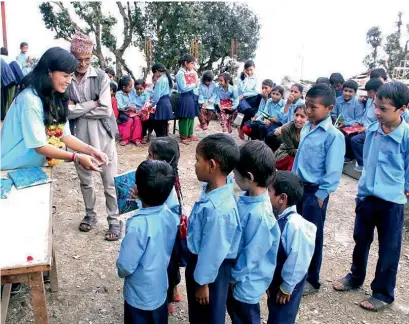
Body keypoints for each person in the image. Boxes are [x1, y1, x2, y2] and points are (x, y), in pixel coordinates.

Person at [333, 82, 409, 312]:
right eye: (376, 106)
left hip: (391, 202)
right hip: (367, 197)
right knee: (361, 239)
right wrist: (363, 190)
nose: (377, 112)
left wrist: (403, 189)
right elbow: (367, 162)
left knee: (389, 248)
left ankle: (384, 292)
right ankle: (356, 276)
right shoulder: (374, 130)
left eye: (383, 109)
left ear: (402, 109)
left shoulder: (406, 136)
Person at [1, 47, 107, 171]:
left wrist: (91, 150)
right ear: (49, 73)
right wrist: (76, 157)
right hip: (10, 165)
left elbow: (65, 136)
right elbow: (39, 146)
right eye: (65, 76)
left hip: (32, 166)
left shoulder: (56, 96)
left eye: (71, 76)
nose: (68, 81)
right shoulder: (31, 100)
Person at [291, 83, 345, 295]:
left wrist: (321, 196)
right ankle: (295, 272)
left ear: (330, 108)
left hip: (316, 192)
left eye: (314, 107)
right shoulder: (307, 126)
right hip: (299, 187)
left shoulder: (334, 136)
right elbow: (299, 159)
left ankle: (312, 279)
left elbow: (333, 172)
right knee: (296, 231)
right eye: (307, 106)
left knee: (312, 235)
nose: (308, 111)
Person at [67, 32, 121, 241]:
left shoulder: (100, 76)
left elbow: (106, 110)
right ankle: (90, 215)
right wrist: (92, 103)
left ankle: (114, 221)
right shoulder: (67, 77)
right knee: (86, 181)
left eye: (87, 59)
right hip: (79, 137)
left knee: (109, 181)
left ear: (92, 58)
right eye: (78, 60)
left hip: (103, 136)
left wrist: (77, 108)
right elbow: (66, 112)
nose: (82, 64)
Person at [186, 134, 241, 324]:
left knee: (208, 315)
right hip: (207, 266)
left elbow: (212, 251)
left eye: (197, 160)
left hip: (211, 271)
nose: (194, 165)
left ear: (211, 165)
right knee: (200, 312)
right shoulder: (216, 188)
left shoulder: (219, 210)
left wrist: (202, 283)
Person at [117, 160, 178, 324]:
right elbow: (153, 211)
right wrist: (140, 199)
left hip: (139, 294)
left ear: (137, 188)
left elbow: (125, 265)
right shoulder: (169, 214)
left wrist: (120, 271)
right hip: (159, 287)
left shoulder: (137, 225)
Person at [227, 140, 280, 324]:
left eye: (235, 174)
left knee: (245, 317)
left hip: (246, 285)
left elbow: (251, 256)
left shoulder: (261, 215)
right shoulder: (249, 197)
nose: (233, 178)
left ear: (249, 177)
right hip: (240, 279)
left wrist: (233, 277)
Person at [267, 171, 316, 324]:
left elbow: (298, 260)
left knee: (283, 315)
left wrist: (287, 287)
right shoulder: (277, 217)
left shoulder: (295, 225)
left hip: (288, 282)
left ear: (282, 198)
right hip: (277, 280)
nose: (265, 195)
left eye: (269, 191)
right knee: (274, 310)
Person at [146, 137, 186, 314]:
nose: (146, 159)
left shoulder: (161, 185)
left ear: (160, 161)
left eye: (150, 155)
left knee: (165, 265)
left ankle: (168, 300)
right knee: (173, 263)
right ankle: (175, 291)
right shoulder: (171, 175)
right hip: (174, 230)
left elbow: (155, 208)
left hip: (164, 232)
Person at [348, 78, 383, 171]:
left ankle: (362, 163)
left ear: (377, 91)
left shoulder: (381, 104)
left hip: (372, 130)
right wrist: (358, 122)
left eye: (370, 92)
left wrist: (366, 128)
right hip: (362, 126)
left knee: (355, 140)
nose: (368, 94)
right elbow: (365, 114)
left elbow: (379, 121)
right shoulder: (369, 100)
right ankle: (349, 157)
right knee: (347, 134)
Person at [331, 80, 365, 162]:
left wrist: (345, 123)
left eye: (350, 91)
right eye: (345, 91)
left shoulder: (358, 103)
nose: (347, 93)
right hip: (340, 124)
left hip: (352, 126)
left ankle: (349, 156)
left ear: (355, 93)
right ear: (342, 90)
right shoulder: (338, 100)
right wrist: (338, 121)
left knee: (347, 136)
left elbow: (358, 119)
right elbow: (334, 113)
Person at [275, 105, 308, 171]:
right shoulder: (286, 129)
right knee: (293, 162)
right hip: (285, 154)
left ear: (308, 118)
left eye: (302, 116)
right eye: (296, 115)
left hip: (301, 155)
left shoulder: (310, 130)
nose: (298, 119)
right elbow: (291, 150)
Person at [176, 54, 199, 144]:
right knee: (185, 116)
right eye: (192, 63)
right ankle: (183, 136)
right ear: (186, 63)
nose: (193, 66)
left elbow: (196, 81)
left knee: (191, 115)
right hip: (184, 96)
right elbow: (183, 88)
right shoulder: (180, 74)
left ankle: (190, 134)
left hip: (191, 95)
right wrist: (194, 84)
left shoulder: (192, 72)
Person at [115, 76, 145, 146]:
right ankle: (125, 139)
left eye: (132, 86)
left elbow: (135, 101)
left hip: (132, 112)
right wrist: (128, 107)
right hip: (123, 112)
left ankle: (136, 139)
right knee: (129, 120)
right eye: (130, 87)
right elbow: (119, 106)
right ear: (124, 87)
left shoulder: (132, 92)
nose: (131, 88)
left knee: (137, 119)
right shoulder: (119, 94)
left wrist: (136, 109)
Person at [237, 60, 261, 139]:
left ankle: (243, 127)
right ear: (244, 70)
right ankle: (241, 127)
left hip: (252, 98)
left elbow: (256, 91)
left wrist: (245, 94)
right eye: (247, 70)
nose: (249, 72)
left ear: (254, 68)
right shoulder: (241, 78)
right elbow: (241, 90)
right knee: (246, 108)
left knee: (253, 109)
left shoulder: (256, 78)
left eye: (251, 69)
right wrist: (246, 78)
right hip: (242, 99)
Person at [150, 63, 174, 137]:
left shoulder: (160, 80)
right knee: (164, 124)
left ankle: (160, 140)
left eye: (154, 73)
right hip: (167, 102)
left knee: (158, 124)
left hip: (161, 103)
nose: (154, 75)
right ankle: (165, 139)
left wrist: (152, 105)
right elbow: (170, 93)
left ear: (157, 71)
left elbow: (156, 96)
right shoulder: (168, 79)